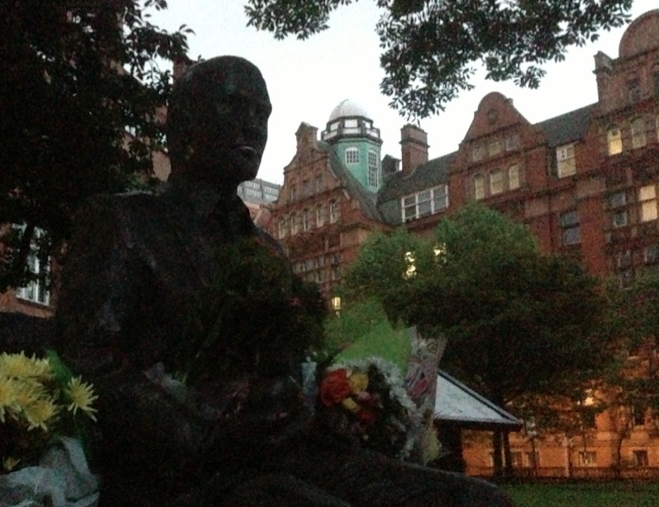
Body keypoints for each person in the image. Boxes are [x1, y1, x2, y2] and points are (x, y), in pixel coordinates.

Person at [55, 56, 513, 506]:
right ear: (184, 123)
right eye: (234, 107)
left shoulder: (267, 250)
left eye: (262, 114)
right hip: (180, 474)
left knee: (479, 499)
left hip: (283, 455)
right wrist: (202, 431)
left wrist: (320, 407)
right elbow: (88, 357)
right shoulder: (123, 222)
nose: (253, 125)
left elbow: (288, 369)